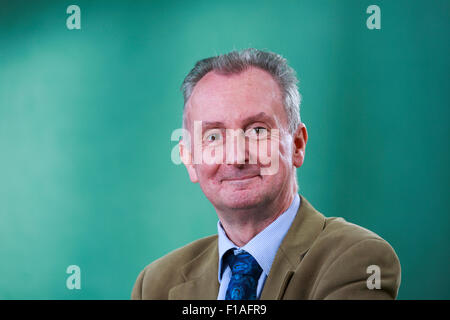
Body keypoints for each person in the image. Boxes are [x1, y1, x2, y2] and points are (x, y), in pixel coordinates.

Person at [131, 48, 401, 300]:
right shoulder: (155, 284)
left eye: (257, 130)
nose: (236, 157)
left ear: (297, 145)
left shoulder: (359, 259)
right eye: (213, 136)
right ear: (189, 160)